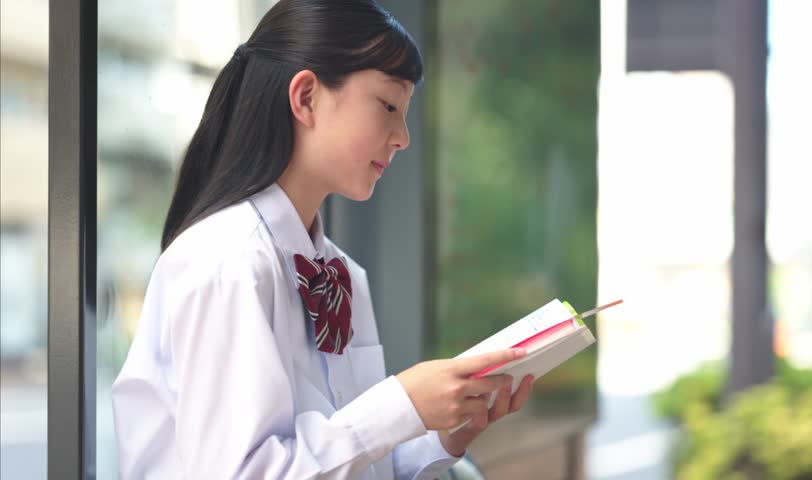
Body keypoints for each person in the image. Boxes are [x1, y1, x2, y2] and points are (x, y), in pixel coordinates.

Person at [111, 1, 535, 478]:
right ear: (307, 97)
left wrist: (447, 433)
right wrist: (401, 404)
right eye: (388, 105)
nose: (403, 137)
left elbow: (356, 462)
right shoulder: (226, 262)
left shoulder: (340, 272)